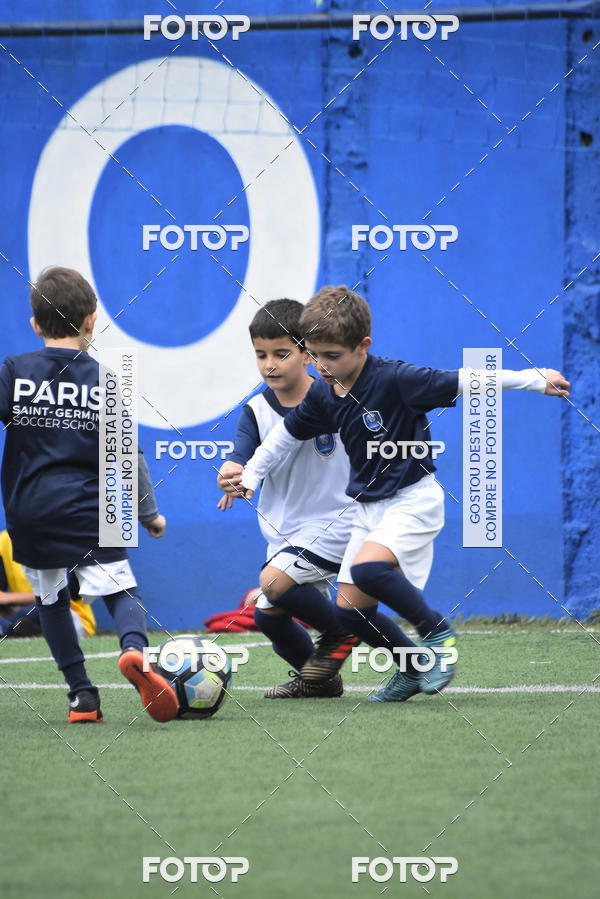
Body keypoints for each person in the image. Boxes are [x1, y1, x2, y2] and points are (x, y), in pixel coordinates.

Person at [240, 285, 570, 702]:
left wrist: (534, 379)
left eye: (333, 356)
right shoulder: (324, 391)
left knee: (367, 571)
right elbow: (285, 436)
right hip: (367, 510)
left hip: (413, 501)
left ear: (363, 346)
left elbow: (466, 379)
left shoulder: (396, 379)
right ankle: (412, 669)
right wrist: (251, 474)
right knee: (348, 609)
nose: (321, 365)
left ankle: (438, 636)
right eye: (315, 354)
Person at [0, 266, 177, 723]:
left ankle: (82, 698)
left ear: (35, 325)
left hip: (31, 509)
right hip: (97, 507)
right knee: (121, 588)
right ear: (92, 320)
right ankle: (134, 651)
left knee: (53, 601)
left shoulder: (14, 371)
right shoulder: (109, 380)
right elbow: (128, 456)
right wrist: (149, 514)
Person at [217, 298, 362, 698]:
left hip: (338, 523)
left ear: (306, 352)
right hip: (286, 534)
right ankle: (321, 680)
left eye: (282, 353)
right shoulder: (255, 411)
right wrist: (230, 475)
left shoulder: (337, 399)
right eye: (261, 355)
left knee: (273, 582)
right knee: (268, 615)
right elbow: (238, 460)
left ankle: (340, 632)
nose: (270, 364)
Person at [0, 528, 96, 639]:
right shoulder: (4, 540)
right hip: (20, 617)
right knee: (21, 623)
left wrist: (8, 599)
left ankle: (7, 629)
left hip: (69, 614)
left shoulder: (62, 533)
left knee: (47, 607)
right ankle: (12, 629)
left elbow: (60, 592)